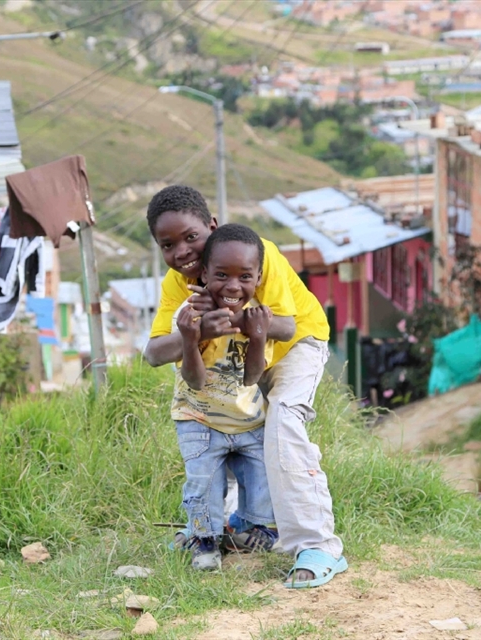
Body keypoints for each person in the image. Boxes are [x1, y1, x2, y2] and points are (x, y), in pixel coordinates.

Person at [144, 185, 347, 588]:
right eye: (169, 245)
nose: (183, 252)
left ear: (212, 227)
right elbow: (153, 352)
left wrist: (229, 317)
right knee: (222, 418)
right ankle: (218, 526)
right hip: (242, 356)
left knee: (283, 422)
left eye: (191, 237)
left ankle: (319, 544)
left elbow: (285, 326)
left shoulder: (253, 252)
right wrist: (197, 328)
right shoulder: (177, 282)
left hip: (295, 345)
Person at [171, 224, 278, 571]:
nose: (233, 286)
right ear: (204, 273)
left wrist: (258, 336)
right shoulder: (190, 315)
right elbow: (195, 380)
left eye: (244, 276)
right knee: (203, 482)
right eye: (221, 275)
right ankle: (203, 541)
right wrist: (190, 338)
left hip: (247, 419)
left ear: (258, 277)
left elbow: (251, 376)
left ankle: (249, 527)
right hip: (199, 420)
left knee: (262, 480)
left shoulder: (260, 315)